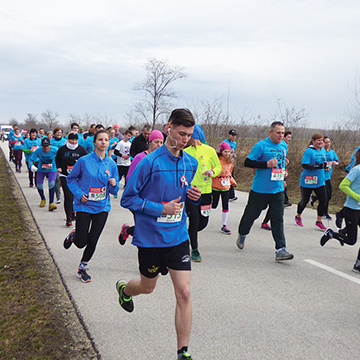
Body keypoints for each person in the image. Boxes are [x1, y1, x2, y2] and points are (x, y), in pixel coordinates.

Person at [117, 108, 201, 360]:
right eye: (182, 133)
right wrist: (160, 208)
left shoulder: (191, 162)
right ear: (169, 128)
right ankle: (124, 290)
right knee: (147, 287)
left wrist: (192, 196)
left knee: (184, 293)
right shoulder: (149, 163)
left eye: (189, 135)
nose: (186, 139)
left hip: (177, 237)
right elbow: (127, 199)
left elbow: (181, 194)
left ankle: (182, 352)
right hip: (151, 239)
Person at [64, 130, 119, 282]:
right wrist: (79, 193)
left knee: (93, 240)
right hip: (84, 205)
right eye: (100, 139)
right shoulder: (84, 161)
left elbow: (114, 190)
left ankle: (82, 268)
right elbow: (71, 179)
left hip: (102, 207)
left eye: (106, 140)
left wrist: (114, 184)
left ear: (109, 142)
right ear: (94, 142)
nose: (103, 142)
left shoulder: (112, 164)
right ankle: (75, 235)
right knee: (81, 243)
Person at [237, 121, 294, 261]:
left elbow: (280, 162)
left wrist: (283, 172)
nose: (281, 136)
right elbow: (247, 162)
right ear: (270, 133)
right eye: (278, 133)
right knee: (251, 215)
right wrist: (266, 164)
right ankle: (242, 233)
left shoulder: (283, 145)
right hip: (260, 190)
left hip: (277, 189)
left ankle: (280, 249)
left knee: (277, 219)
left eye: (282, 133)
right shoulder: (260, 145)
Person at [118, 130, 164, 244]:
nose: (159, 145)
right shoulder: (140, 157)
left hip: (155, 200)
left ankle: (127, 230)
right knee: (144, 228)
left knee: (152, 227)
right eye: (156, 142)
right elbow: (129, 178)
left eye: (161, 142)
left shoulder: (163, 158)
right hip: (139, 199)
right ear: (150, 142)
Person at [184, 124, 222, 262]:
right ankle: (194, 249)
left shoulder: (209, 150)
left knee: (203, 222)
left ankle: (189, 234)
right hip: (191, 191)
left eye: (190, 134)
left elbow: (218, 166)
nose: (188, 137)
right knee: (194, 220)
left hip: (206, 192)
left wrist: (212, 172)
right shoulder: (185, 151)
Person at [320, 148, 360, 273]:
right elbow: (343, 185)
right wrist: (357, 197)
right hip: (352, 209)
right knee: (351, 240)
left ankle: (358, 264)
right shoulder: (357, 170)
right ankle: (331, 234)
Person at [295, 133, 328, 230]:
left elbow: (323, 162)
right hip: (308, 180)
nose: (320, 142)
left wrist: (326, 168)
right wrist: (318, 166)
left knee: (324, 200)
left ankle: (319, 221)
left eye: (321, 140)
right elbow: (305, 165)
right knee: (304, 201)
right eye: (318, 140)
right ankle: (298, 216)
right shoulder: (308, 151)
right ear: (313, 141)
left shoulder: (322, 150)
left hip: (320, 180)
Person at [55, 131, 88, 227]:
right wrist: (59, 167)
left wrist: (80, 163)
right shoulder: (62, 149)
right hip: (65, 175)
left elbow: (86, 161)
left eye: (75, 140)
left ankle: (73, 211)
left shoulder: (81, 150)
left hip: (78, 177)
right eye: (72, 140)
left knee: (76, 195)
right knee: (68, 196)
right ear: (68, 140)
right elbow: (57, 159)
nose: (73, 142)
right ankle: (68, 217)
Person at [310, 136, 339, 220]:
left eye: (329, 142)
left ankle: (315, 198)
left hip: (328, 176)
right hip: (321, 177)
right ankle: (324, 213)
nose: (327, 144)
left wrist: (335, 163)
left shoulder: (332, 152)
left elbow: (337, 161)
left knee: (328, 196)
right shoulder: (321, 153)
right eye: (325, 142)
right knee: (325, 197)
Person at [211, 141, 237, 235]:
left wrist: (232, 181)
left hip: (226, 187)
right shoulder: (217, 160)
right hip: (216, 186)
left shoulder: (230, 162)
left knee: (225, 206)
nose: (227, 153)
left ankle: (224, 225)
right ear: (221, 151)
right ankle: (202, 214)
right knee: (214, 205)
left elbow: (229, 173)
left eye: (228, 152)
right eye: (225, 151)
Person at [28, 137, 59, 211]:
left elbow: (60, 157)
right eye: (44, 146)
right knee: (39, 185)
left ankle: (51, 203)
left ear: (50, 145)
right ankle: (43, 198)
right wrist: (31, 165)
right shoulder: (38, 151)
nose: (46, 148)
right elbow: (31, 159)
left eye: (47, 146)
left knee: (51, 184)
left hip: (52, 169)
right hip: (41, 170)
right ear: (41, 145)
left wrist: (60, 166)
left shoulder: (55, 150)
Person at [223, 129, 237, 201]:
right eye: (232, 135)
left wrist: (233, 154)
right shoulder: (225, 143)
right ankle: (229, 195)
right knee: (228, 178)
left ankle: (231, 195)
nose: (233, 137)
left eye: (234, 136)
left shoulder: (235, 143)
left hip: (231, 163)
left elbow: (233, 153)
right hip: (225, 163)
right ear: (229, 135)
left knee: (231, 178)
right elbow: (221, 152)